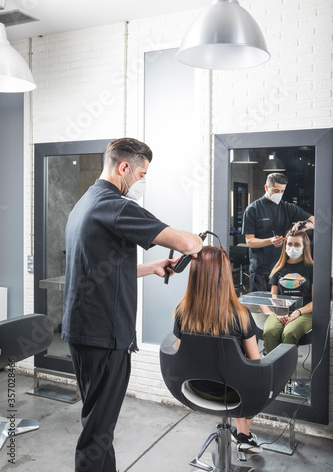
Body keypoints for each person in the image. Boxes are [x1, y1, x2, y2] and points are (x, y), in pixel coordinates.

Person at [61, 137, 203, 472]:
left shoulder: (86, 203)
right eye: (140, 176)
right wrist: (199, 242)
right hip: (104, 335)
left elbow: (97, 266)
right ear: (124, 167)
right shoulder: (117, 205)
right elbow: (186, 242)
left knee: (98, 423)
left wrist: (151, 267)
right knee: (97, 433)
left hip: (82, 332)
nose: (139, 183)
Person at [173, 245, 263, 453]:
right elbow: (256, 363)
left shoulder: (181, 311)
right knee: (251, 378)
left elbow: (179, 353)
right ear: (225, 276)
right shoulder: (241, 315)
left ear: (194, 274)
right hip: (231, 394)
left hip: (195, 389)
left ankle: (242, 435)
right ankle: (244, 435)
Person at [242, 172, 314, 292]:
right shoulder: (253, 210)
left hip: (282, 268)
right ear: (266, 187)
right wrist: (270, 241)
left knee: (280, 306)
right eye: (276, 190)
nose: (279, 194)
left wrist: (308, 225)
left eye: (282, 191)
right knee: (261, 307)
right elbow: (250, 242)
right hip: (261, 270)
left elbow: (316, 220)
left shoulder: (288, 208)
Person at [262, 230, 313, 354]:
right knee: (269, 332)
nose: (292, 248)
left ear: (304, 247)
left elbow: (316, 301)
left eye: (297, 245)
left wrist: (298, 312)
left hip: (304, 312)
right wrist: (279, 312)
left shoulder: (312, 269)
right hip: (281, 310)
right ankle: (272, 370)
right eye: (289, 244)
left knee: (289, 333)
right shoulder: (278, 268)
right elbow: (274, 297)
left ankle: (286, 370)